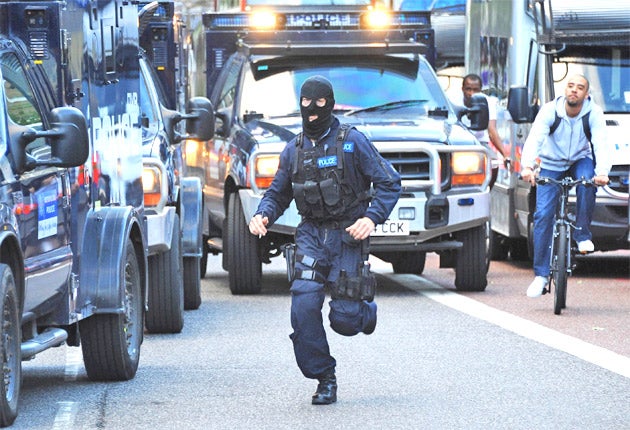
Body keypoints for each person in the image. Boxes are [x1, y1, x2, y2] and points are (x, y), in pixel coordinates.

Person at [248, 75, 401, 405]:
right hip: (311, 236)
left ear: (330, 103)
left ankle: (364, 312)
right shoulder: (294, 149)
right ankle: (324, 377)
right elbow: (277, 193)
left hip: (347, 236)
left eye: (319, 103)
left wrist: (370, 218)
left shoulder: (352, 142)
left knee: (345, 321)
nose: (312, 110)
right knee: (303, 306)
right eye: (306, 103)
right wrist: (263, 214)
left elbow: (390, 182)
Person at [521, 74, 611, 298]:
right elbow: (535, 139)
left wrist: (602, 173)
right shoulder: (550, 110)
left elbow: (601, 143)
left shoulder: (593, 113)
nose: (574, 91)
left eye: (580, 88)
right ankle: (541, 276)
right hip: (551, 163)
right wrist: (527, 167)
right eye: (570, 86)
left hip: (581, 159)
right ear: (565, 90)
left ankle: (582, 235)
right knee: (542, 215)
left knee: (587, 183)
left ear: (586, 94)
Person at [456, 74, 507, 186]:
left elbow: (492, 131)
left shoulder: (488, 102)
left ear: (480, 90)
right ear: (462, 89)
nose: (471, 93)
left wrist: (505, 155)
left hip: (480, 143)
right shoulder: (453, 101)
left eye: (476, 90)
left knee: (493, 162)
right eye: (468, 89)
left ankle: (487, 189)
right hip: (457, 143)